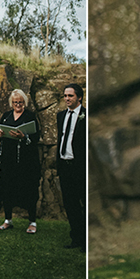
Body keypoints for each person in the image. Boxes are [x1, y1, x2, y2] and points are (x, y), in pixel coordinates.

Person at [0, 89, 41, 234]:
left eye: (20, 102)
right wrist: (0, 134)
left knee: (29, 189)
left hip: (26, 161)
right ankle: (8, 219)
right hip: (8, 160)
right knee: (7, 188)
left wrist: (24, 136)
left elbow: (36, 137)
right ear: (11, 103)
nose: (18, 105)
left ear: (24, 102)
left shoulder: (30, 116)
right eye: (15, 102)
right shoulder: (6, 116)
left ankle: (32, 222)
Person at [56, 83, 86, 252]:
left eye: (70, 96)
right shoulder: (61, 116)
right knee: (70, 205)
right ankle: (76, 238)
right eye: (65, 96)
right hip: (65, 166)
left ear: (79, 97)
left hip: (79, 167)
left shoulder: (85, 115)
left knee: (84, 204)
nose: (67, 99)